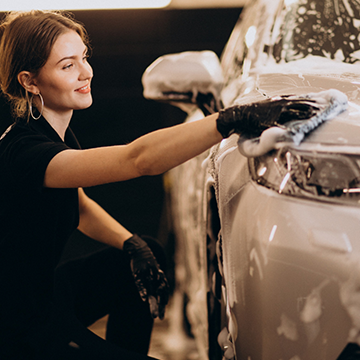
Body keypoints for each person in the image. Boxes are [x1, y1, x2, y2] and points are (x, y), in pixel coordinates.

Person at [0, 9, 320, 360]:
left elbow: (77, 205)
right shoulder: (24, 151)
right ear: (30, 81)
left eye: (83, 57)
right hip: (18, 326)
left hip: (43, 296)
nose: (86, 72)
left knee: (142, 256)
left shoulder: (53, 135)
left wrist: (131, 244)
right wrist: (230, 120)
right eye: (67, 66)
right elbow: (136, 159)